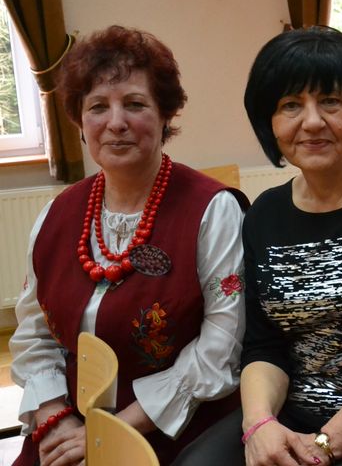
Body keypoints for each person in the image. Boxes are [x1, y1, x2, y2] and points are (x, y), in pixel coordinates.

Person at [174, 26, 342, 466]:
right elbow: (264, 345)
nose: (311, 122)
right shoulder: (265, 214)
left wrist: (324, 445)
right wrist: (259, 426)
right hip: (291, 414)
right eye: (290, 105)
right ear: (269, 121)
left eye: (330, 101)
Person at [10, 25, 248, 466]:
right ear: (80, 123)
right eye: (98, 106)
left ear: (165, 116)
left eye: (135, 104)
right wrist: (56, 419)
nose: (116, 122)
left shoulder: (213, 211)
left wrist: (110, 433)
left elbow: (221, 345)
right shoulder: (56, 216)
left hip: (176, 427)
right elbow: (34, 331)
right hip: (70, 425)